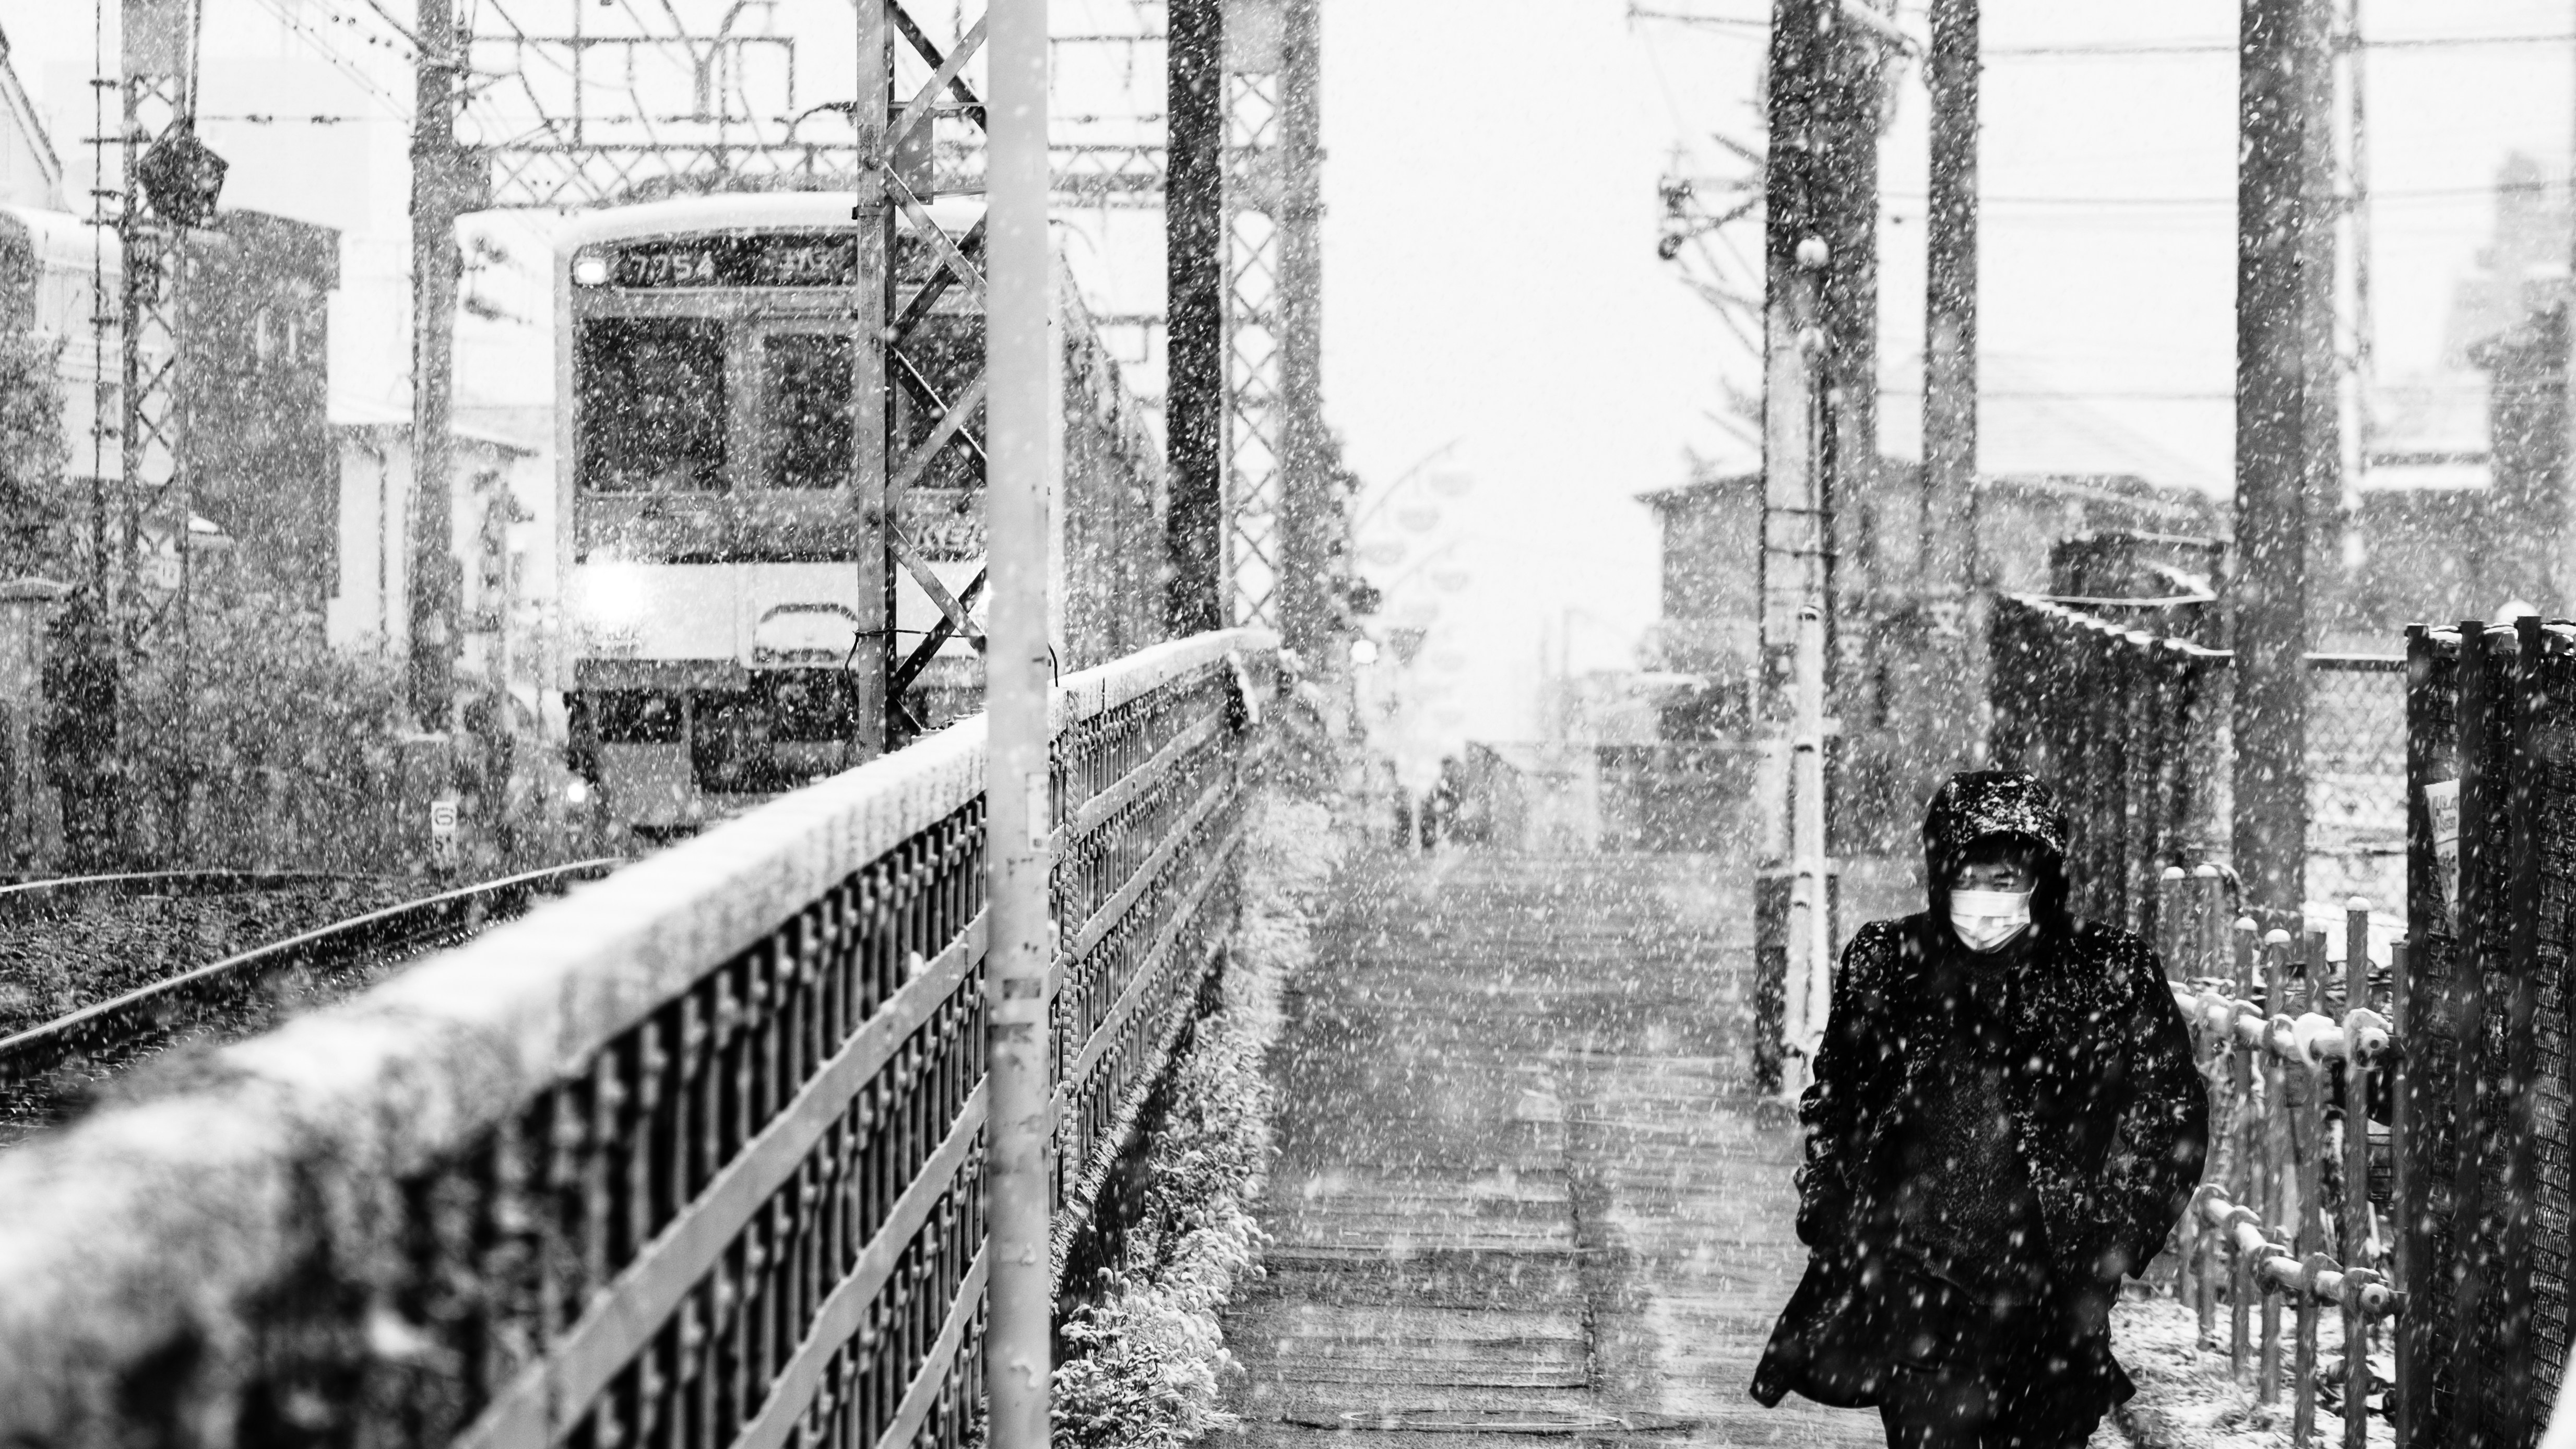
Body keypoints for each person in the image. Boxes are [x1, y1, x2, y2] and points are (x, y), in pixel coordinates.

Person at [1750, 770, 2209, 1447]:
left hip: (2055, 1300)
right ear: (1942, 873)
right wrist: (1831, 1199)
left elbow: (2171, 1117)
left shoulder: (2108, 973)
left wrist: (2112, 1243)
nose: (1990, 898)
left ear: (2043, 878)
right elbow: (1839, 1096)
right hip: (1922, 1290)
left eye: (2009, 878)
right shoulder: (1892, 965)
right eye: (1975, 874)